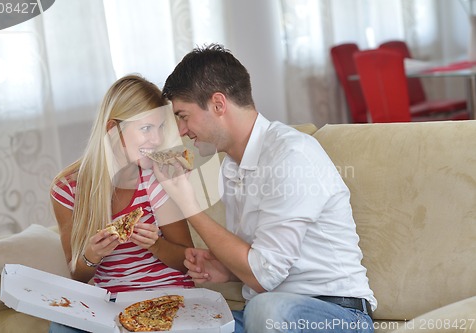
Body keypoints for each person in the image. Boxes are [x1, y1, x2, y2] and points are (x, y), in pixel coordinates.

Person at [154, 44, 377, 333]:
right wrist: (228, 271)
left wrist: (189, 206)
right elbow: (263, 263)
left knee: (266, 308)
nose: (182, 131)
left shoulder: (291, 156)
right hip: (265, 317)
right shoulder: (232, 167)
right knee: (185, 323)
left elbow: (264, 276)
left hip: (338, 315)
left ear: (219, 104)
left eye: (183, 116)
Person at [49, 74, 194, 333]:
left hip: (167, 296)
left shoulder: (157, 176)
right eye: (146, 129)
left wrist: (156, 244)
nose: (157, 140)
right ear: (112, 129)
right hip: (111, 305)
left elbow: (186, 260)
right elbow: (77, 274)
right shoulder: (67, 189)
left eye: (160, 128)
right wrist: (91, 256)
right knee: (60, 327)